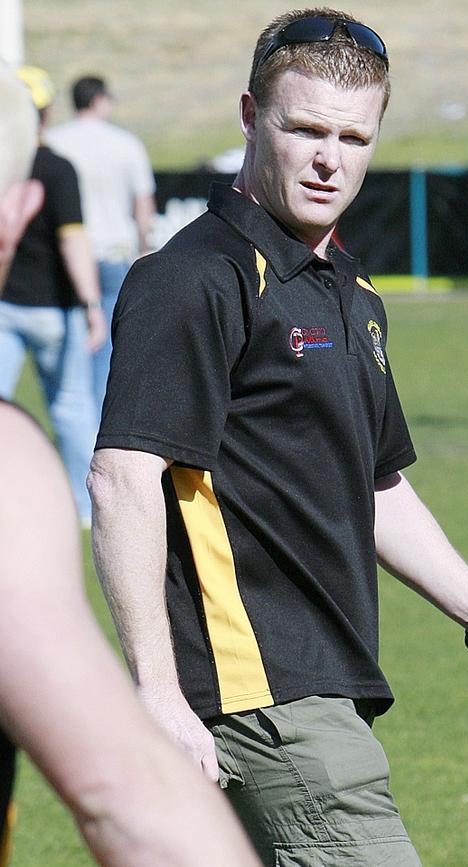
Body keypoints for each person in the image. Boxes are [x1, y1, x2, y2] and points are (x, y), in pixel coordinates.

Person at [88, 10, 468, 866]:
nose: (328, 158)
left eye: (353, 136)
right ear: (249, 116)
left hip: (326, 690)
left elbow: (378, 486)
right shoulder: (195, 278)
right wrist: (157, 691)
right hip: (262, 699)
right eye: (304, 127)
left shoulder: (347, 288)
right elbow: (124, 476)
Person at [0, 65, 260, 867]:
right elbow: (126, 797)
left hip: (34, 308)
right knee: (77, 411)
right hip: (88, 279)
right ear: (18, 204)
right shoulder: (5, 469)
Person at [0, 66, 105, 525]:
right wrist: (91, 304)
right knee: (71, 409)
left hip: (5, 309)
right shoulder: (56, 168)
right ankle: (85, 511)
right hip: (52, 311)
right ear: (44, 112)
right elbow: (73, 241)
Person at [47, 75, 156, 418]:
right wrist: (144, 246)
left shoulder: (54, 142)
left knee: (67, 354)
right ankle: (97, 429)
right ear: (99, 100)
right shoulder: (125, 144)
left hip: (63, 257)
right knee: (107, 355)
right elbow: (143, 205)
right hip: (112, 255)